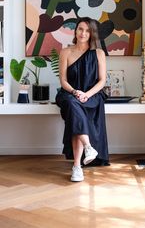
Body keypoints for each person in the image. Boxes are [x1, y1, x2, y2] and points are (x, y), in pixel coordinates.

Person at [56, 17, 109, 182]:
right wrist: (75, 91)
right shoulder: (66, 52)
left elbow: (102, 81)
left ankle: (77, 166)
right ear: (75, 30)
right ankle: (88, 147)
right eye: (80, 29)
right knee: (72, 103)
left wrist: (86, 94)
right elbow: (63, 81)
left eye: (87, 30)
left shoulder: (99, 53)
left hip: (91, 95)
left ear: (92, 33)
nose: (83, 33)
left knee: (74, 113)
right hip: (69, 94)